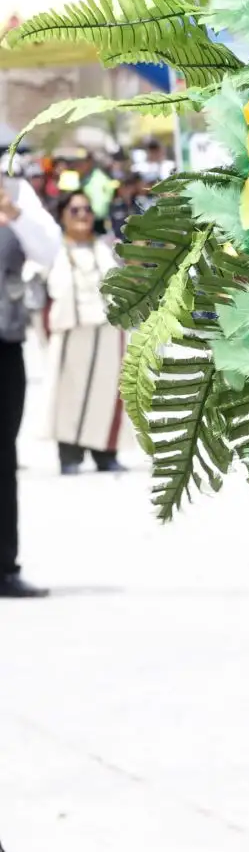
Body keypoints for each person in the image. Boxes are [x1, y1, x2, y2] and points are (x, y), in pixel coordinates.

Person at [2, 176, 59, 598]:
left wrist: (14, 214)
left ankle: (4, 566)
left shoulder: (17, 194)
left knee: (2, 457)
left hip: (3, 342)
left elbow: (47, 251)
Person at [43, 192, 125, 474]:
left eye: (87, 209)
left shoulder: (106, 248)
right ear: (63, 215)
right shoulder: (51, 250)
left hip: (106, 332)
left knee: (107, 393)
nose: (82, 215)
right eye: (75, 210)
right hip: (69, 332)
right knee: (67, 393)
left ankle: (105, 454)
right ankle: (70, 456)